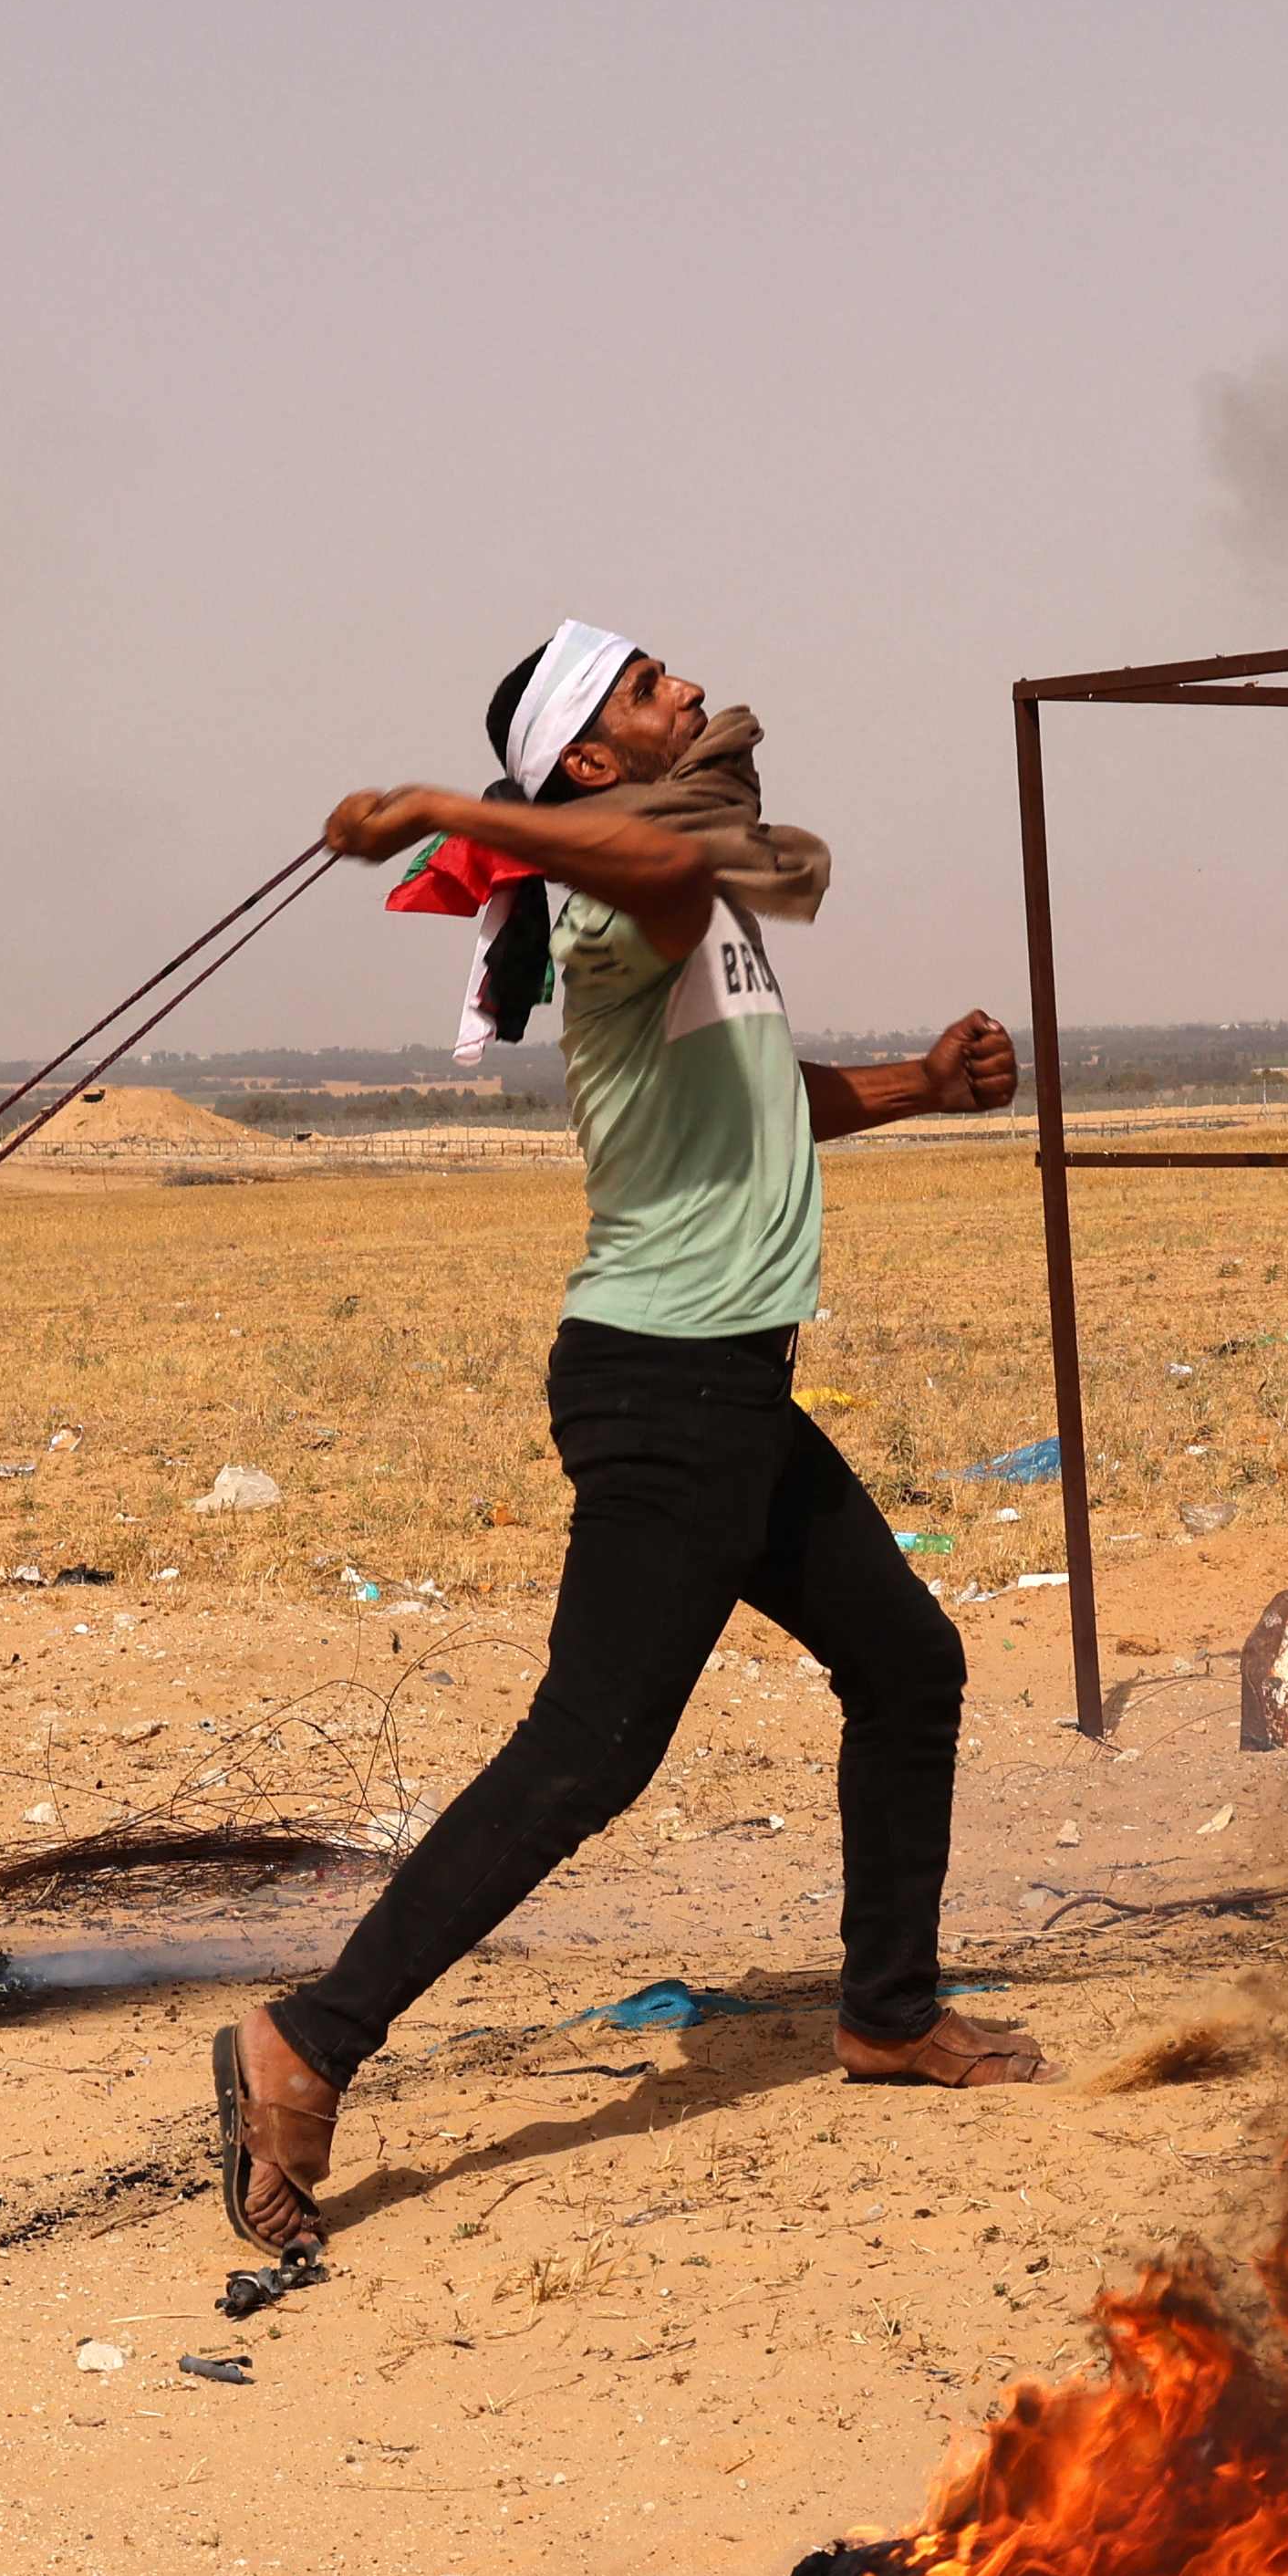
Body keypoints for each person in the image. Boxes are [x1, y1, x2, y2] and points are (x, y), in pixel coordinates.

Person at [212, 622, 1024, 2256]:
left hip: (721, 1387)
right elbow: (653, 855)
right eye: (649, 686)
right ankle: (308, 2039)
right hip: (669, 1390)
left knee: (908, 1660)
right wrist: (455, 803)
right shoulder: (628, 887)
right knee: (586, 1753)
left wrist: (924, 1089)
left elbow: (761, 1093)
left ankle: (882, 2009)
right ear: (588, 762)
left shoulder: (669, 894)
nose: (688, 688)